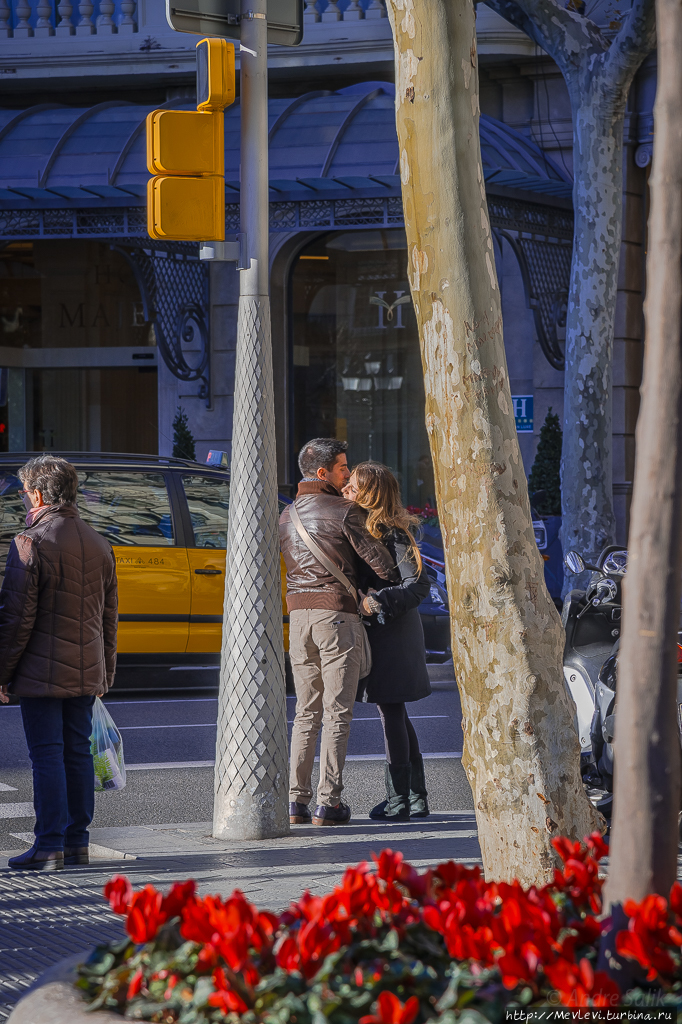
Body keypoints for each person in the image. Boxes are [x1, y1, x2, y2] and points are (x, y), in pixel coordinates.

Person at [0, 455, 118, 871]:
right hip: (86, 669)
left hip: (39, 672)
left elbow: (16, 619)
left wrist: (3, 674)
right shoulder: (99, 542)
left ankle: (48, 845)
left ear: (36, 493)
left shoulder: (31, 542)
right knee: (76, 754)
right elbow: (109, 615)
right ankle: (76, 841)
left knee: (47, 756)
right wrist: (106, 671)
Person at [280, 438, 398, 826]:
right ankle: (328, 803)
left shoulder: (286, 515)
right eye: (343, 468)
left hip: (298, 621)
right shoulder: (345, 511)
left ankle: (296, 802)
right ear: (322, 473)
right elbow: (384, 568)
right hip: (336, 618)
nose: (348, 474)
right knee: (337, 714)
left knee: (305, 712)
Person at [344, 461, 432, 821]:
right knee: (395, 711)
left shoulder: (391, 532)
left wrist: (375, 602)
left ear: (368, 493)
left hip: (392, 633)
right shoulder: (370, 528)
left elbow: (419, 585)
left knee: (390, 711)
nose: (346, 490)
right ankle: (416, 797)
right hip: (387, 630)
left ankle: (399, 801)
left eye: (353, 485)